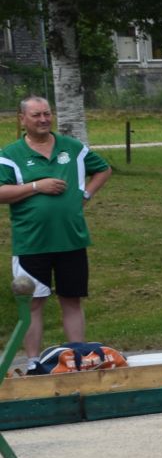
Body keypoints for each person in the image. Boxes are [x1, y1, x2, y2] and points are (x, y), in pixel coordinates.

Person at [0, 96, 113, 365]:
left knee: (72, 300)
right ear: (22, 119)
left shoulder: (72, 147)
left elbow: (103, 169)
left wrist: (85, 194)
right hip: (31, 242)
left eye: (47, 114)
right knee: (33, 304)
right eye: (36, 115)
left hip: (71, 239)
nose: (43, 119)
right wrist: (37, 186)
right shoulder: (10, 154)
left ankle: (77, 359)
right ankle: (33, 363)